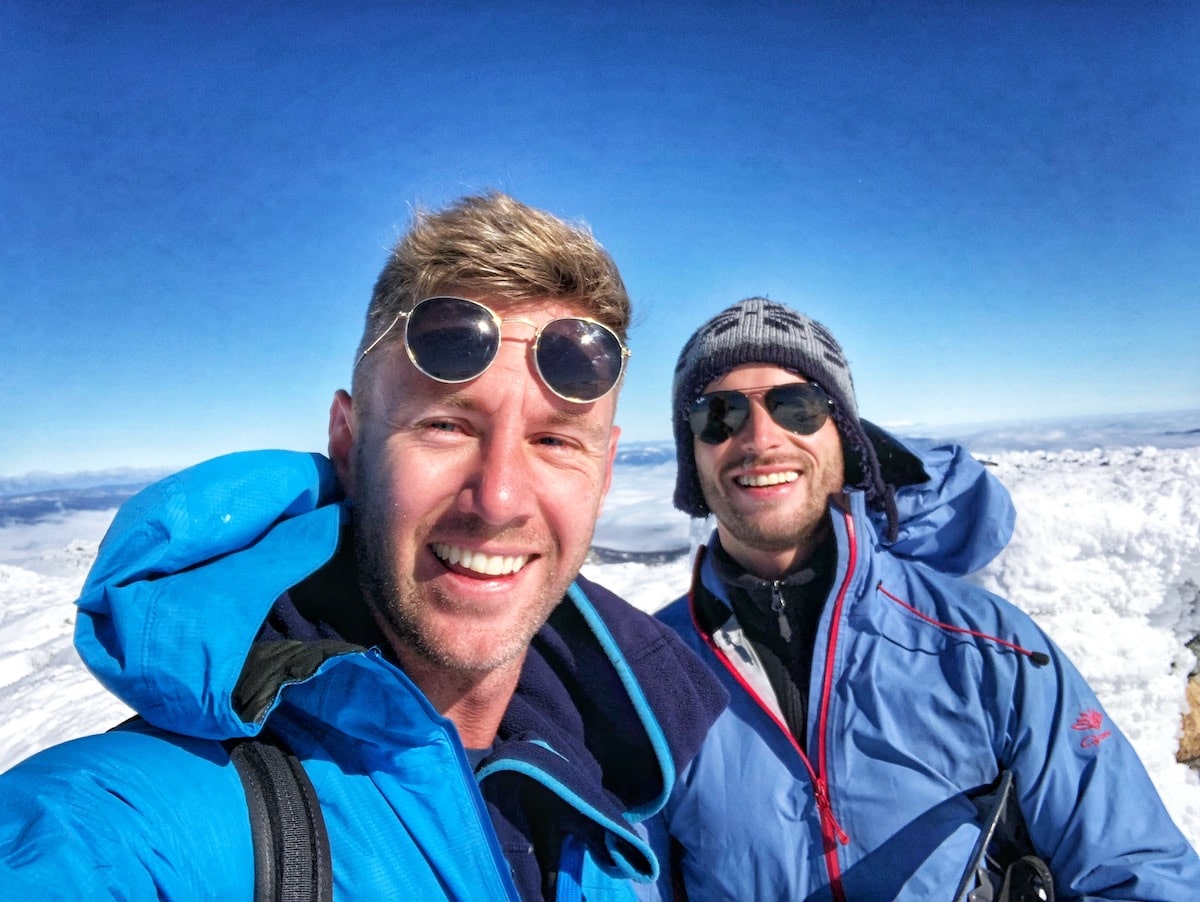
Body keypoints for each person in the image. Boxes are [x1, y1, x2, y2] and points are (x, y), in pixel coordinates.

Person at [0, 193, 726, 900]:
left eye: (556, 440)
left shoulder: (608, 782)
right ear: (349, 444)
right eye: (446, 426)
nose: (499, 499)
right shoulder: (131, 828)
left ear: (604, 471)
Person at [657, 297, 1200, 900]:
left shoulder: (986, 647)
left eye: (797, 406)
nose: (760, 438)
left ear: (846, 437)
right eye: (720, 414)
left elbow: (1136, 871)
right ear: (693, 455)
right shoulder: (646, 675)